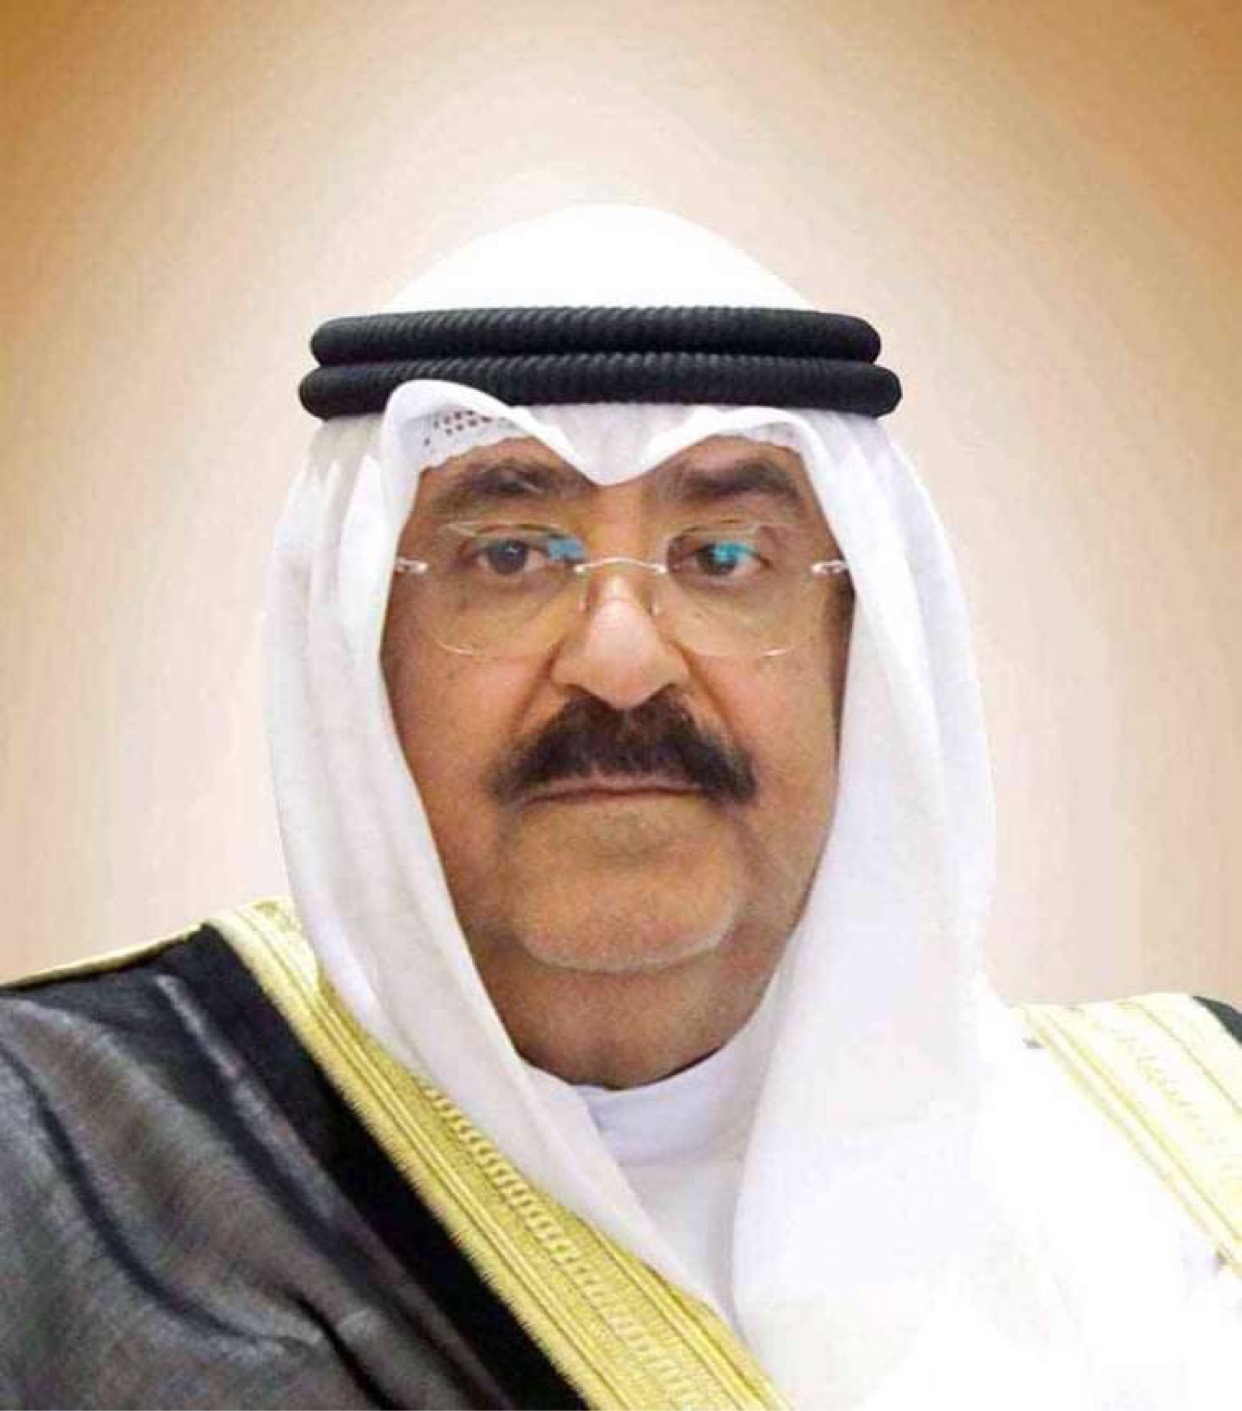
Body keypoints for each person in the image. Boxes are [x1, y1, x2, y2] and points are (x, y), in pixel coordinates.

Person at [1, 206, 1238, 1411]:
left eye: (725, 557)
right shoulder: (65, 1174)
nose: (621, 659)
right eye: (509, 555)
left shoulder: (1190, 1165)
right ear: (358, 649)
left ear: (856, 653)